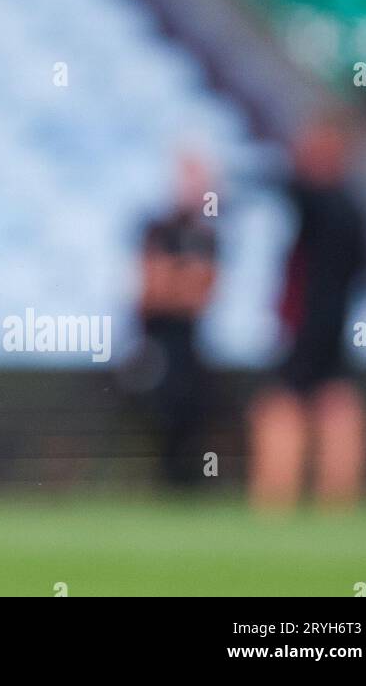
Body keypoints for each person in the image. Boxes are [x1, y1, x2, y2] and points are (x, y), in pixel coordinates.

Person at [247, 110, 366, 511]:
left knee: (282, 405)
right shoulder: (353, 209)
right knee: (336, 402)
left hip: (308, 325)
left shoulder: (321, 202)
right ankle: (337, 501)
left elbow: (278, 183)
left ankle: (276, 499)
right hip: (338, 322)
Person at [120, 150, 220, 489]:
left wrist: (176, 280)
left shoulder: (207, 234)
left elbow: (202, 295)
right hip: (156, 340)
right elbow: (154, 293)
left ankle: (186, 484)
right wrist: (183, 279)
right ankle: (165, 483)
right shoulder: (159, 228)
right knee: (161, 410)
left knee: (191, 412)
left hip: (188, 342)